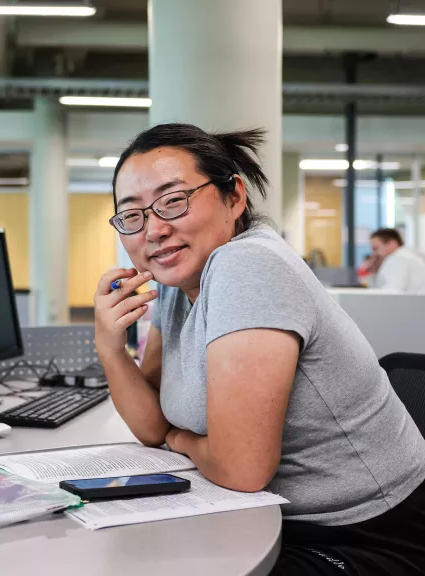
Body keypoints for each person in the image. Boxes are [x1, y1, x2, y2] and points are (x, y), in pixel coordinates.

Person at [93, 123, 425, 576]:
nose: (154, 230)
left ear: (234, 197)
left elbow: (242, 468)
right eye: (133, 215)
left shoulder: (246, 264)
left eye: (173, 201)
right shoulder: (178, 284)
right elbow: (152, 425)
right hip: (275, 519)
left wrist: (181, 439)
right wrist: (110, 347)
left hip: (369, 532)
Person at [370, 227, 425, 292]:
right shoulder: (409, 255)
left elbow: (391, 293)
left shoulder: (397, 259)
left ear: (391, 243)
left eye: (375, 248)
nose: (374, 254)